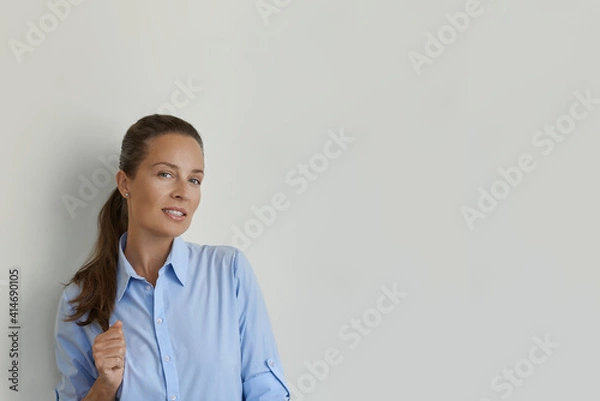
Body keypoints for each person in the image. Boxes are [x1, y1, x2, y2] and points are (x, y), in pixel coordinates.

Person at [54, 114, 291, 401]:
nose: (182, 193)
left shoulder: (229, 272)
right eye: (165, 174)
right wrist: (105, 385)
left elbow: (266, 391)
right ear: (125, 183)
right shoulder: (82, 300)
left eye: (194, 180)